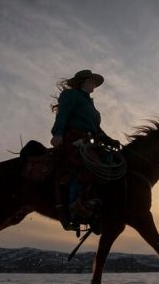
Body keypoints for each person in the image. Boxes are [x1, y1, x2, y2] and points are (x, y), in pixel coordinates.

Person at [50, 69, 117, 230]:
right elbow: (63, 113)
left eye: (95, 81)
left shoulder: (90, 104)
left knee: (110, 161)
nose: (94, 84)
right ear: (83, 81)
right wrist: (58, 133)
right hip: (74, 138)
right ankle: (75, 209)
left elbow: (96, 128)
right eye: (91, 80)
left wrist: (107, 139)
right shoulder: (71, 95)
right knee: (83, 163)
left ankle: (99, 205)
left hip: (89, 140)